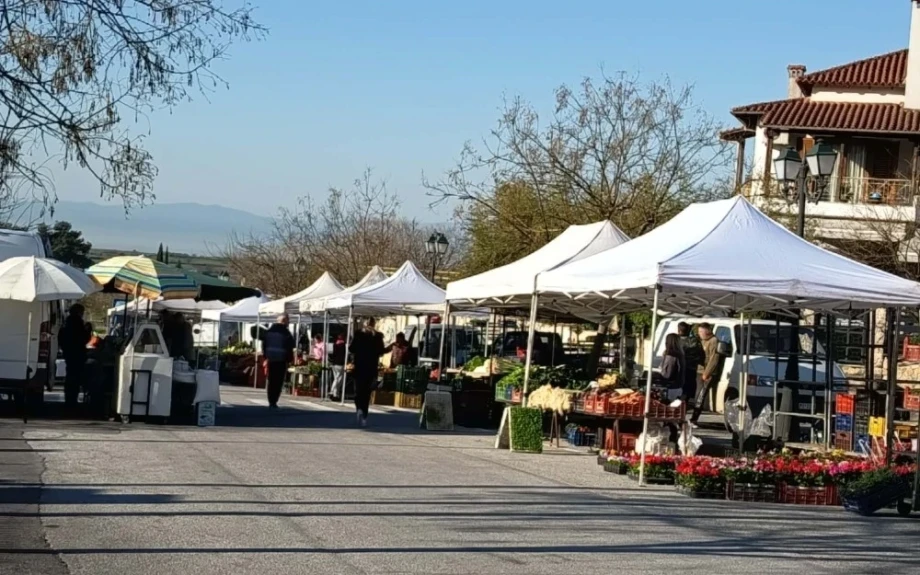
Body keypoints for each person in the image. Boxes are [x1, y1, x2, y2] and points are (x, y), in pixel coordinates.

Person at [349, 317, 384, 427]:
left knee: (358, 391)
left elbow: (351, 349)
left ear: (365, 323)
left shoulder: (358, 334)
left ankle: (359, 409)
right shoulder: (378, 336)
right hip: (371, 368)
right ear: (374, 324)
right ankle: (364, 416)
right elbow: (381, 351)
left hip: (359, 367)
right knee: (367, 393)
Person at [691, 323, 725, 424]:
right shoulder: (701, 340)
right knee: (697, 394)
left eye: (701, 331)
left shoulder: (713, 341)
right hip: (699, 370)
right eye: (699, 331)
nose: (699, 333)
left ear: (708, 331)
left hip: (706, 373)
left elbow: (714, 359)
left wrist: (707, 373)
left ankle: (694, 418)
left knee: (700, 395)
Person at [59, 304, 91, 408]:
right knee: (75, 378)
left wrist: (65, 349)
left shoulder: (65, 323)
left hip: (69, 354)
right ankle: (72, 401)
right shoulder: (78, 323)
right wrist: (88, 330)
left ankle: (69, 399)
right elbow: (83, 338)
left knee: (70, 377)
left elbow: (61, 338)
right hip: (77, 354)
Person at [261, 314, 295, 409]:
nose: (289, 323)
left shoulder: (269, 331)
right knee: (278, 381)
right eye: (288, 321)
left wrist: (266, 356)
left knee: (271, 380)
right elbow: (291, 346)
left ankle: (271, 400)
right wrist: (289, 359)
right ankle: (274, 401)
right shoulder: (286, 333)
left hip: (271, 359)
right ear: (284, 321)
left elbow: (264, 344)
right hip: (281, 360)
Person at [677, 322, 703, 402]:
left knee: (680, 386)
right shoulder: (695, 341)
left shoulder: (676, 340)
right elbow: (700, 353)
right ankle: (685, 400)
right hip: (691, 367)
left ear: (679, 330)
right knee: (689, 386)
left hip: (679, 367)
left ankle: (681, 401)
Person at [329, 332, 347, 401]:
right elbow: (343, 355)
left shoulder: (335, 344)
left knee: (336, 378)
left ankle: (335, 394)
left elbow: (333, 353)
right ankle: (333, 392)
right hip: (340, 363)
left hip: (334, 363)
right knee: (339, 379)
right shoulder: (343, 345)